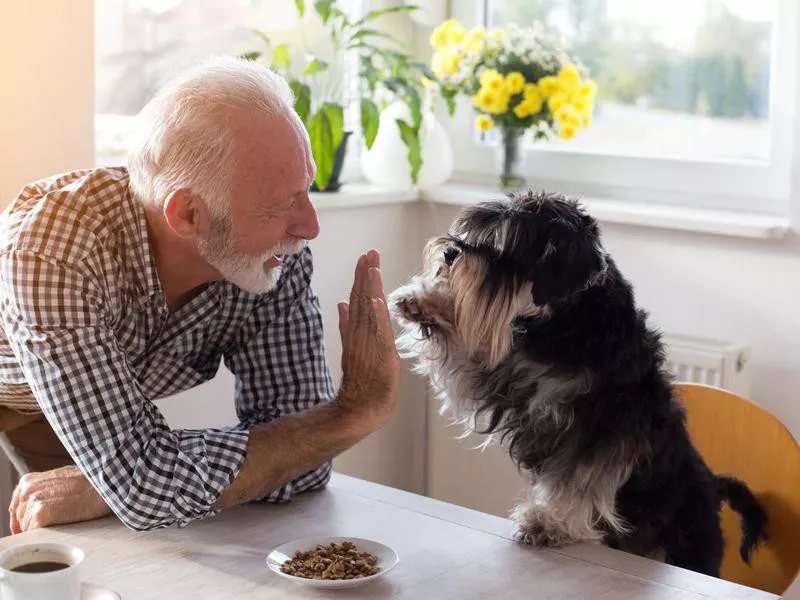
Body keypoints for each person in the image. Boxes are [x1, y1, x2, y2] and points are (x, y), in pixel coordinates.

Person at [0, 57, 401, 534]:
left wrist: (128, 481)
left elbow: (307, 460)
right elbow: (147, 487)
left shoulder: (273, 256)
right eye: (280, 205)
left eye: (306, 189)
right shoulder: (54, 252)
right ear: (189, 215)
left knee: (105, 542)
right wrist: (355, 412)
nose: (309, 226)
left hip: (92, 390)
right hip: (13, 390)